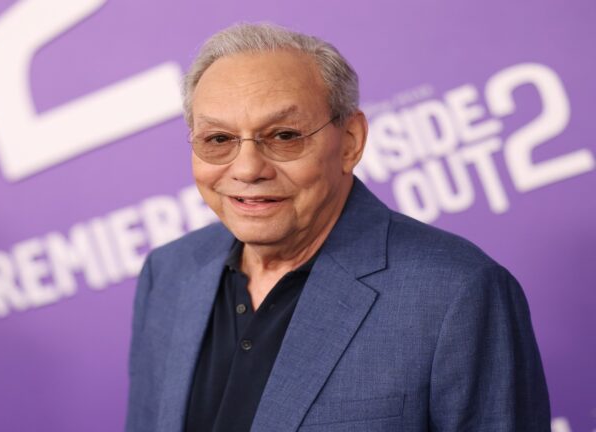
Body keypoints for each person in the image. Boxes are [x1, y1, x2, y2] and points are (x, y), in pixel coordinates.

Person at [126, 23, 550, 432]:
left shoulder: (457, 293)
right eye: (218, 139)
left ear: (350, 142)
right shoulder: (167, 274)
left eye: (285, 135)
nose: (248, 168)